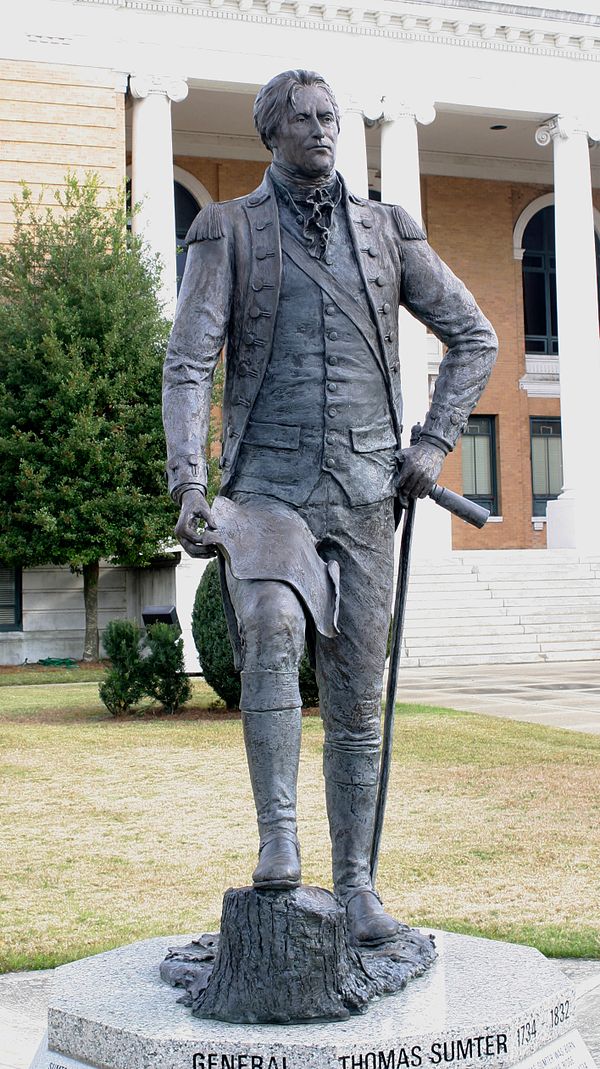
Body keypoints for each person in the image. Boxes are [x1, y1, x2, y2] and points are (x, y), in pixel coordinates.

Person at [163, 69, 497, 946]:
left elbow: (474, 333)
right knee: (271, 625)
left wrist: (430, 443)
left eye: (329, 118)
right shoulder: (224, 228)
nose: (320, 130)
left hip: (364, 492)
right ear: (270, 133)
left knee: (356, 697)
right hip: (265, 488)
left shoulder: (387, 230)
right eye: (303, 119)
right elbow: (189, 363)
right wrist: (189, 483)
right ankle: (280, 842)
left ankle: (356, 885)